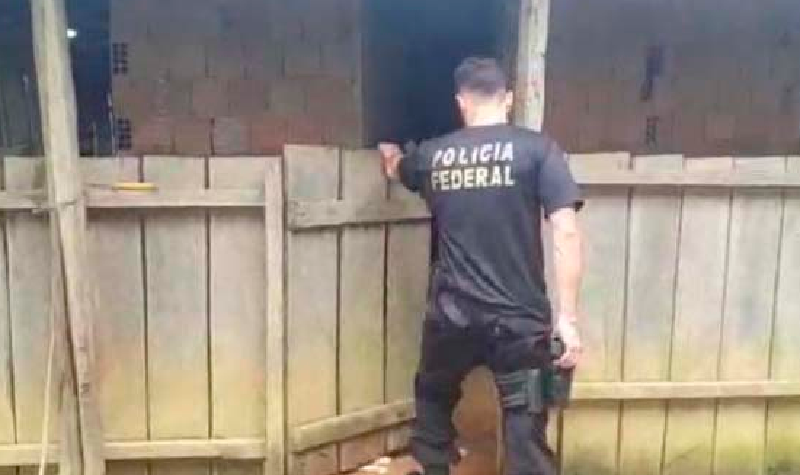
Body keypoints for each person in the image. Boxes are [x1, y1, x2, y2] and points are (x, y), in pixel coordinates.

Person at [378, 57, 584, 475]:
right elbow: (565, 230)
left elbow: (399, 168)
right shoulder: (538, 150)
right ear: (507, 99)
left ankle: (433, 462)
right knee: (525, 434)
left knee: (433, 403)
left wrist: (391, 152)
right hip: (519, 320)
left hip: (452, 316)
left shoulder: (434, 155)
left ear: (461, 102)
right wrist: (568, 319)